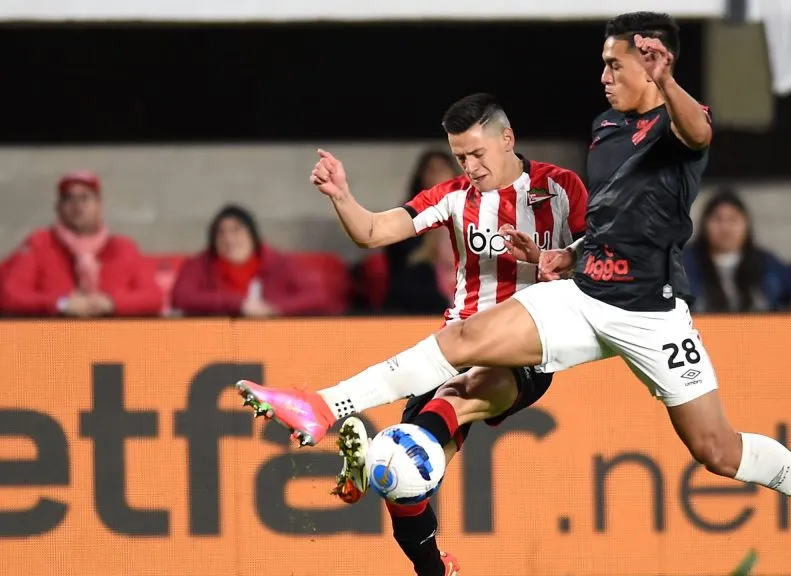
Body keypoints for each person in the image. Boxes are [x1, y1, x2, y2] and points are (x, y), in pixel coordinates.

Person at [235, 13, 791, 576]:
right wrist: (565, 255)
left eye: (614, 64)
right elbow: (609, 224)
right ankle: (321, 407)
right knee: (461, 343)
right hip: (584, 296)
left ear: (651, 63)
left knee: (716, 452)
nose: (603, 76)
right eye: (602, 64)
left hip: (651, 314)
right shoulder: (605, 131)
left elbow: (700, 134)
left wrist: (668, 86)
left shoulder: (678, 126)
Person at [241, 93, 587, 576]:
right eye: (460, 156)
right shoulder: (454, 196)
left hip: (527, 348)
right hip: (454, 344)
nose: (469, 166)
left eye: (477, 154)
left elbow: (598, 260)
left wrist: (558, 266)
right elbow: (374, 232)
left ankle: (322, 407)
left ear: (507, 139)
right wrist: (343, 196)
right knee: (403, 474)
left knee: (460, 393)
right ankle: (433, 567)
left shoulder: (562, 187)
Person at [0, 170, 162, 317]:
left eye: (85, 198)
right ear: (58, 207)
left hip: (114, 339)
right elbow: (10, 295)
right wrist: (61, 304)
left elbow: (154, 297)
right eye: (68, 198)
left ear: (99, 206)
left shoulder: (123, 247)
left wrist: (110, 303)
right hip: (52, 340)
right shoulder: (39, 243)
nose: (77, 205)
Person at [171, 204, 329, 317]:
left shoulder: (280, 264)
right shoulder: (200, 265)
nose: (229, 238)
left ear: (252, 235)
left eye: (236, 230)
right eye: (221, 233)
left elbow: (317, 296)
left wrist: (274, 309)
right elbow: (182, 297)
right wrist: (238, 304)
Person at [683, 189, 791, 313]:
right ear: (704, 225)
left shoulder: (766, 263)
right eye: (717, 219)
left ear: (746, 224)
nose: (725, 227)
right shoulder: (685, 264)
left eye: (733, 219)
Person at [381, 150, 459, 315]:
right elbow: (399, 267)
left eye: (443, 169)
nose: (438, 175)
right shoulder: (406, 218)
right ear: (420, 178)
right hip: (419, 307)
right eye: (432, 170)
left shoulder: (471, 215)